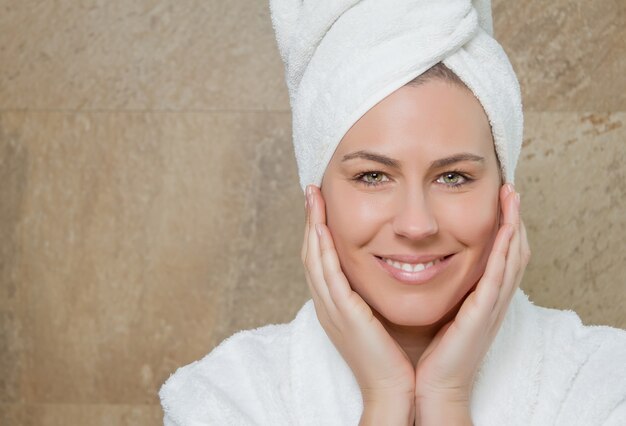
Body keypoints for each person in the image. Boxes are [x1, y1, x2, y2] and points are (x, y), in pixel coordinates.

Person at [159, 1, 626, 425]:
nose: (416, 225)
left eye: (454, 177)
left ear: (506, 194)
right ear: (316, 197)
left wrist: (447, 398)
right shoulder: (226, 397)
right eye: (373, 177)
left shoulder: (604, 385)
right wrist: (385, 400)